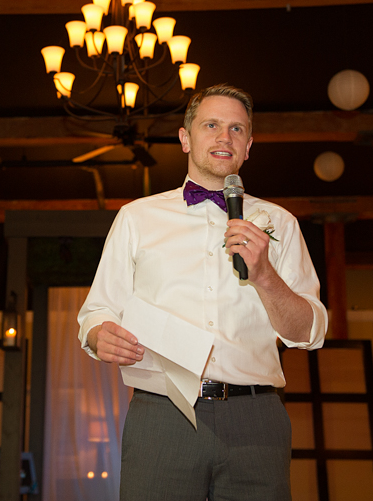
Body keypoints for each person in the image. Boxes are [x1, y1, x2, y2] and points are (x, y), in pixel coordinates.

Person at [77, 84, 327, 501]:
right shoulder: (137, 217)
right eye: (211, 125)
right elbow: (97, 311)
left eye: (236, 129)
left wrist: (265, 275)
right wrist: (99, 336)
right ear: (185, 137)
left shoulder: (280, 223)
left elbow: (310, 333)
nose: (224, 137)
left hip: (257, 418)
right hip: (162, 412)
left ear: (248, 146)